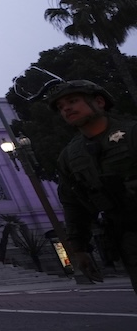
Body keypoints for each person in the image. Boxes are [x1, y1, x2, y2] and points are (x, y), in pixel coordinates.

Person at [49, 79, 137, 292]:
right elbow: (74, 204)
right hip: (128, 236)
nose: (67, 108)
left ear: (99, 102)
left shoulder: (132, 132)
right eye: (61, 107)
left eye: (73, 101)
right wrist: (79, 248)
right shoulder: (70, 156)